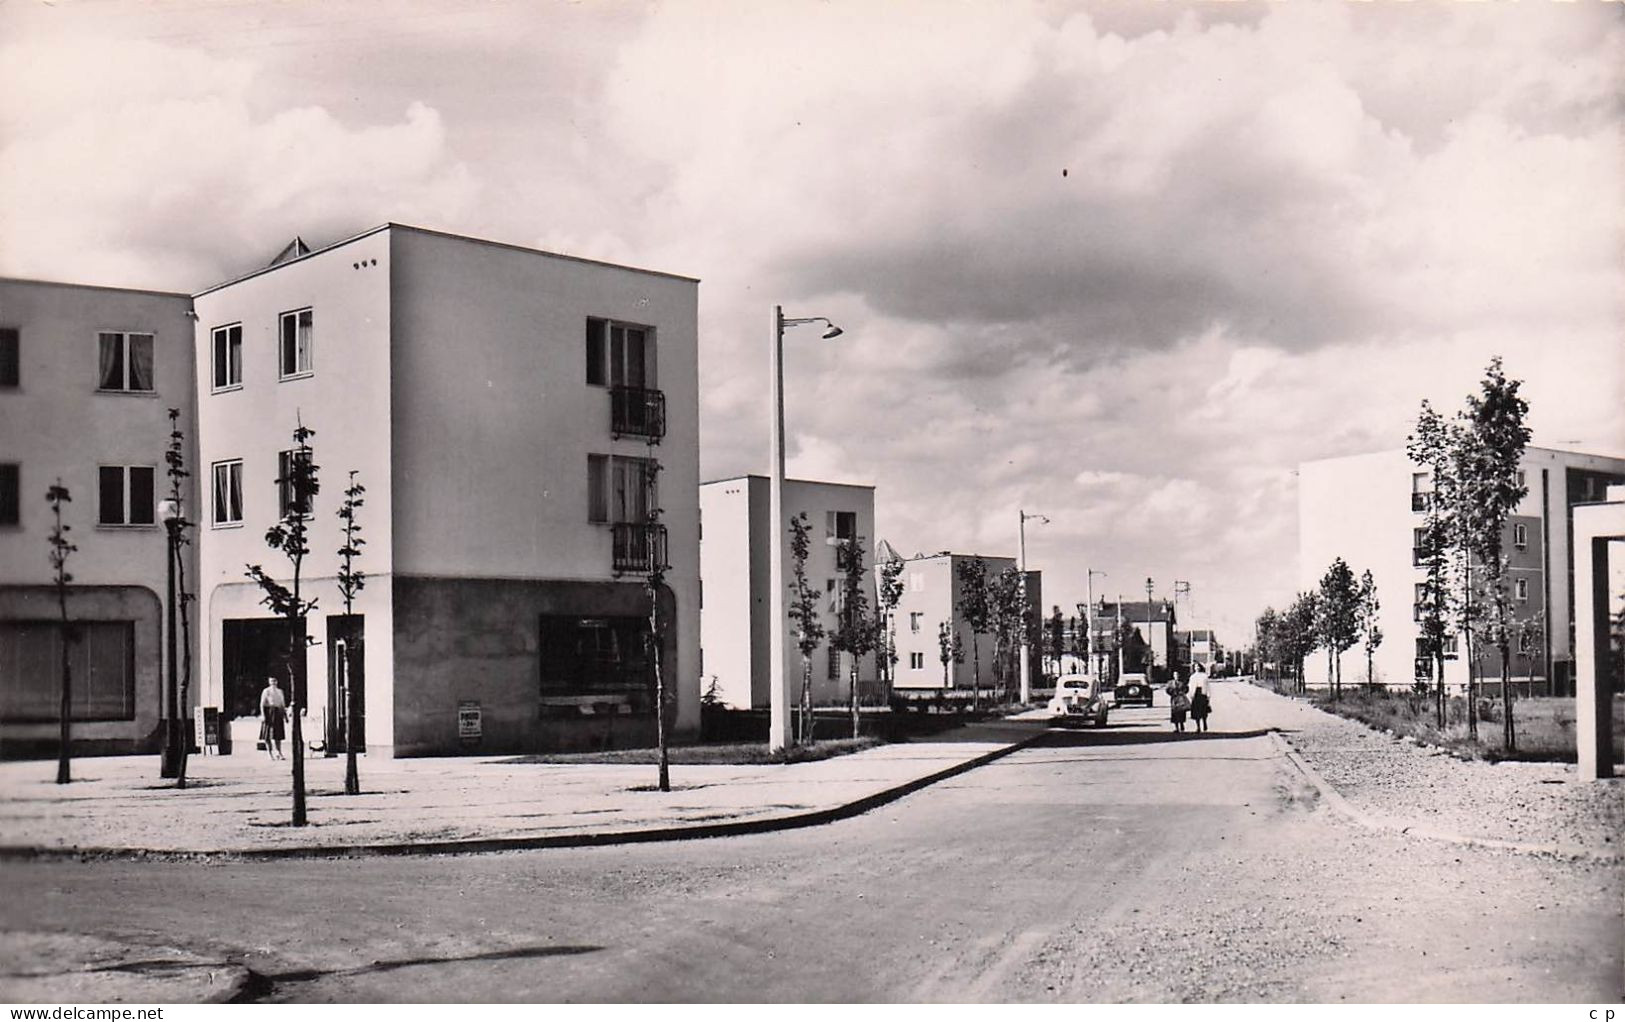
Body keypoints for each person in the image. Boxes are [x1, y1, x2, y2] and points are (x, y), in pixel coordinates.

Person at [259, 676, 288, 760]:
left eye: (275, 681)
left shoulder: (280, 691)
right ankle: (269, 753)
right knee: (267, 735)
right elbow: (262, 704)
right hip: (269, 713)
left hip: (278, 713)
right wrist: (263, 715)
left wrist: (285, 716)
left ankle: (279, 752)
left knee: (278, 735)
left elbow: (282, 704)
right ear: (269, 682)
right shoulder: (266, 691)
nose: (273, 683)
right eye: (271, 681)